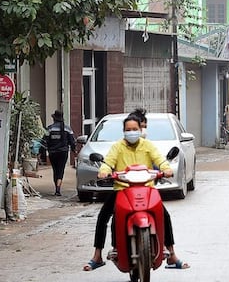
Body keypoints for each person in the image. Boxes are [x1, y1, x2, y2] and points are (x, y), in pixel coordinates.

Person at [83, 114, 189, 271]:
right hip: (122, 189)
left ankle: (172, 255)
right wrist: (104, 171)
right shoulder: (117, 147)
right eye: (128, 129)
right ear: (123, 131)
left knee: (164, 215)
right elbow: (108, 162)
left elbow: (159, 160)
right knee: (104, 216)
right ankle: (97, 255)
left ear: (141, 130)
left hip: (146, 188)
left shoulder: (148, 146)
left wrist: (165, 169)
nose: (131, 132)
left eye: (134, 129)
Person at [43, 110, 77, 196]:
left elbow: (44, 140)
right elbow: (72, 141)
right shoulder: (67, 128)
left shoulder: (49, 128)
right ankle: (58, 189)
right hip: (63, 152)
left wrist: (43, 151)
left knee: (55, 170)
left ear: (54, 119)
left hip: (52, 153)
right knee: (61, 170)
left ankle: (57, 188)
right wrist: (74, 151)